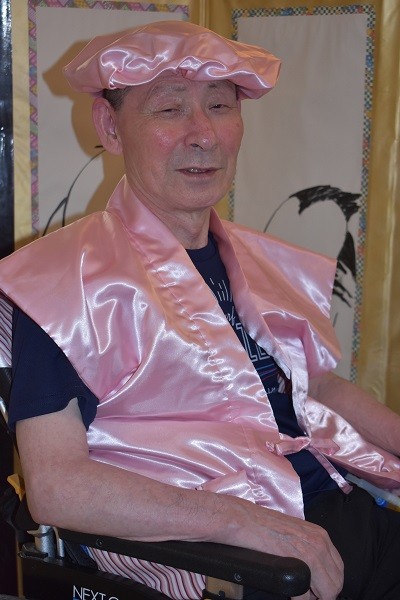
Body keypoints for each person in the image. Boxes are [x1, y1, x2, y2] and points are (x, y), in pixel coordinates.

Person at [0, 20, 400, 600]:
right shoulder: (63, 281)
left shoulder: (255, 258)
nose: (204, 135)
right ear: (110, 127)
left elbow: (317, 388)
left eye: (219, 106)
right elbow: (57, 486)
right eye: (169, 110)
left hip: (338, 504)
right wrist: (242, 523)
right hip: (233, 552)